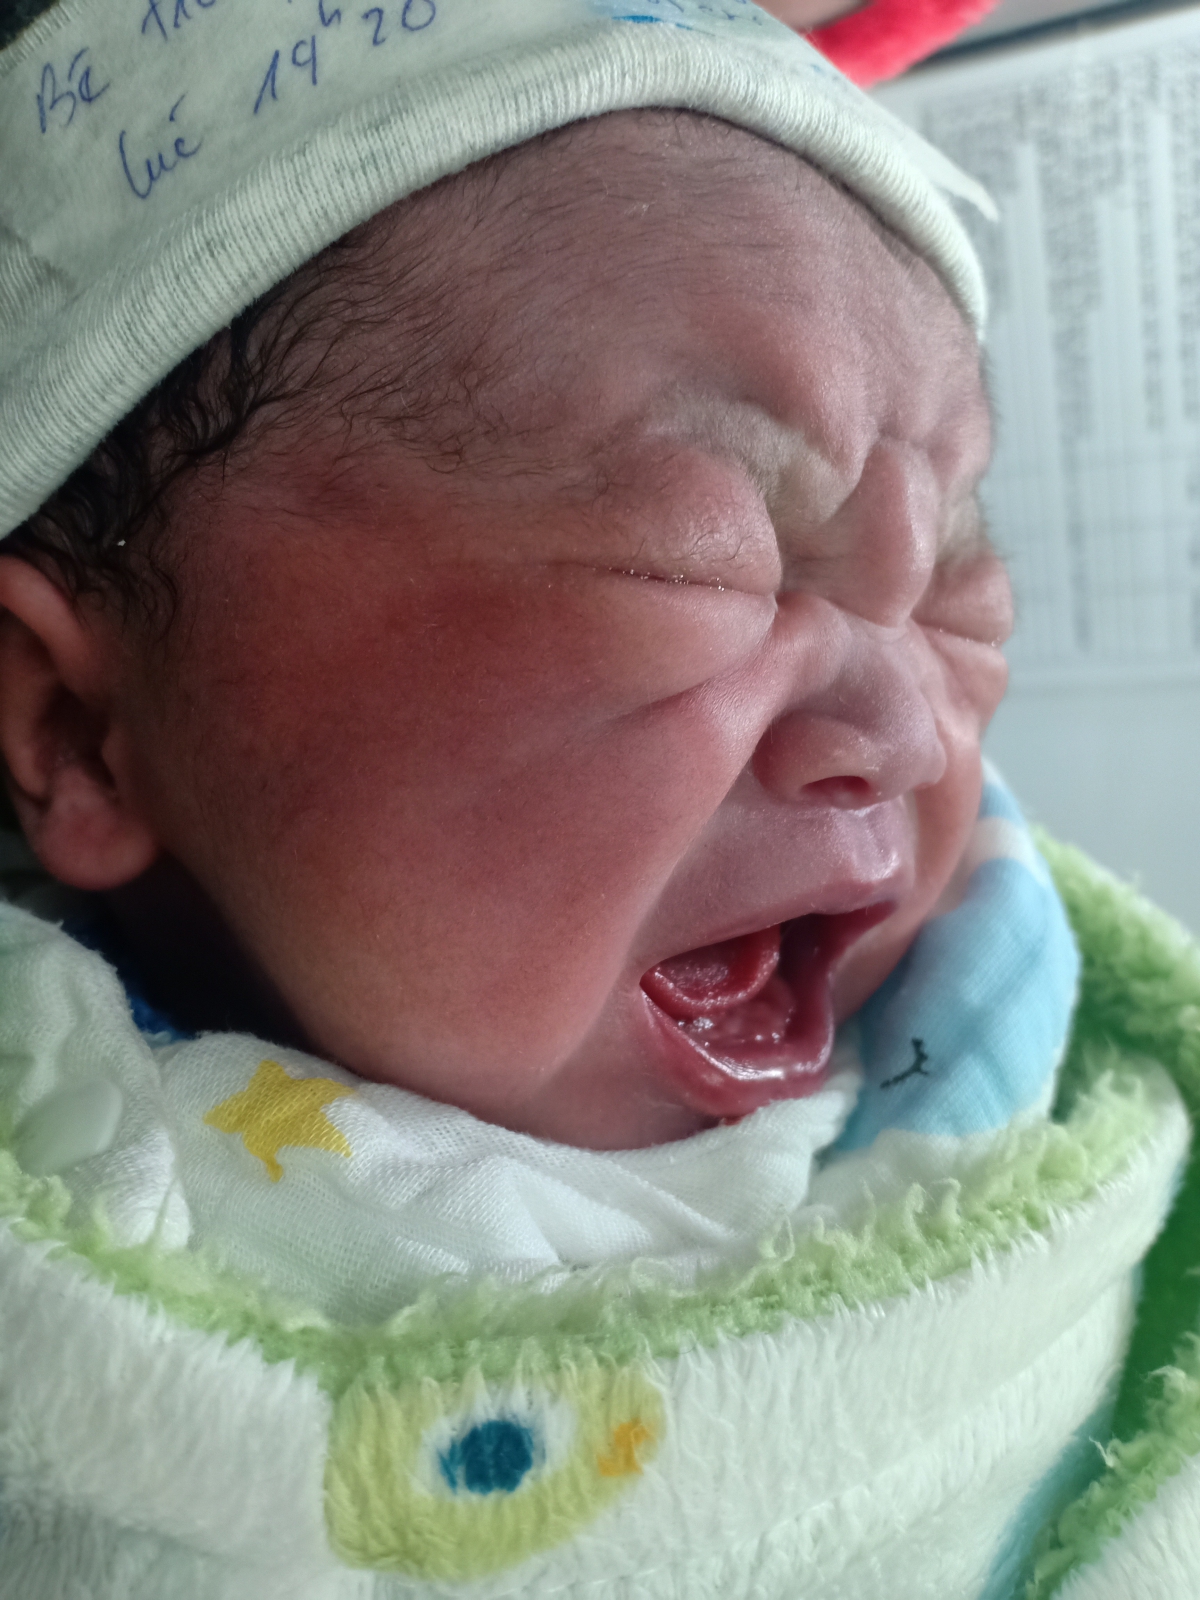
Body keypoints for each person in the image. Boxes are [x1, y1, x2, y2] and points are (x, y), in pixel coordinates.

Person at [0, 3, 1196, 1597]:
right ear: (80, 729)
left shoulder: (1004, 1080)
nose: (907, 735)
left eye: (958, 581)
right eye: (704, 558)